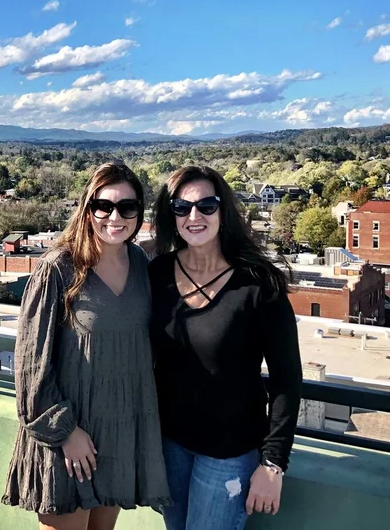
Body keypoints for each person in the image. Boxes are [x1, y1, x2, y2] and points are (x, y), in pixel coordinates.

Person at [2, 161, 171, 530]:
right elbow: (31, 367)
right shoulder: (58, 268)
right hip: (69, 443)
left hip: (117, 437)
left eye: (127, 207)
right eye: (103, 206)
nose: (115, 217)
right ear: (87, 209)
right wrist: (66, 433)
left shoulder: (141, 264)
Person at [149, 165, 301, 530]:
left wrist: (272, 463)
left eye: (207, 205)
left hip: (230, 453)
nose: (194, 216)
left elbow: (286, 379)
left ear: (224, 210)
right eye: (182, 208)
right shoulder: (156, 274)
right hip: (169, 445)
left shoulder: (259, 284)